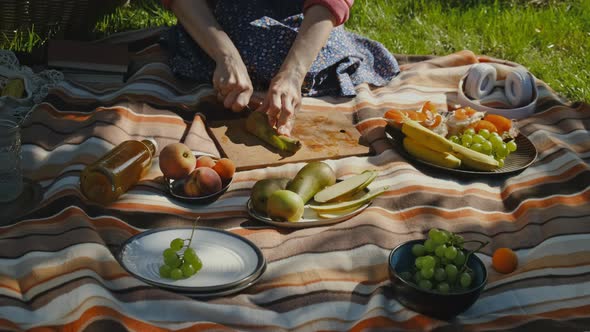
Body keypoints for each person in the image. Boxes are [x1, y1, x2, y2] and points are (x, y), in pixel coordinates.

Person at [161, 0, 400, 136]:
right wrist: (227, 57)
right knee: (250, 43)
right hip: (220, 17)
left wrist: (293, 74)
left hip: (306, 17)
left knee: (295, 49)